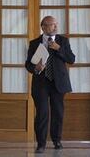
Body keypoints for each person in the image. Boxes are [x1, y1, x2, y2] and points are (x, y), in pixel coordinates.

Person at [25, 16, 75, 153]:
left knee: (58, 112)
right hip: (41, 83)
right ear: (43, 27)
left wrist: (59, 49)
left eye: (55, 24)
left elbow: (71, 59)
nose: (55, 27)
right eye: (51, 25)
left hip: (58, 83)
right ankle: (41, 144)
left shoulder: (63, 41)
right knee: (42, 113)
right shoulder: (34, 43)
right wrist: (36, 68)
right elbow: (28, 64)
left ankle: (57, 140)